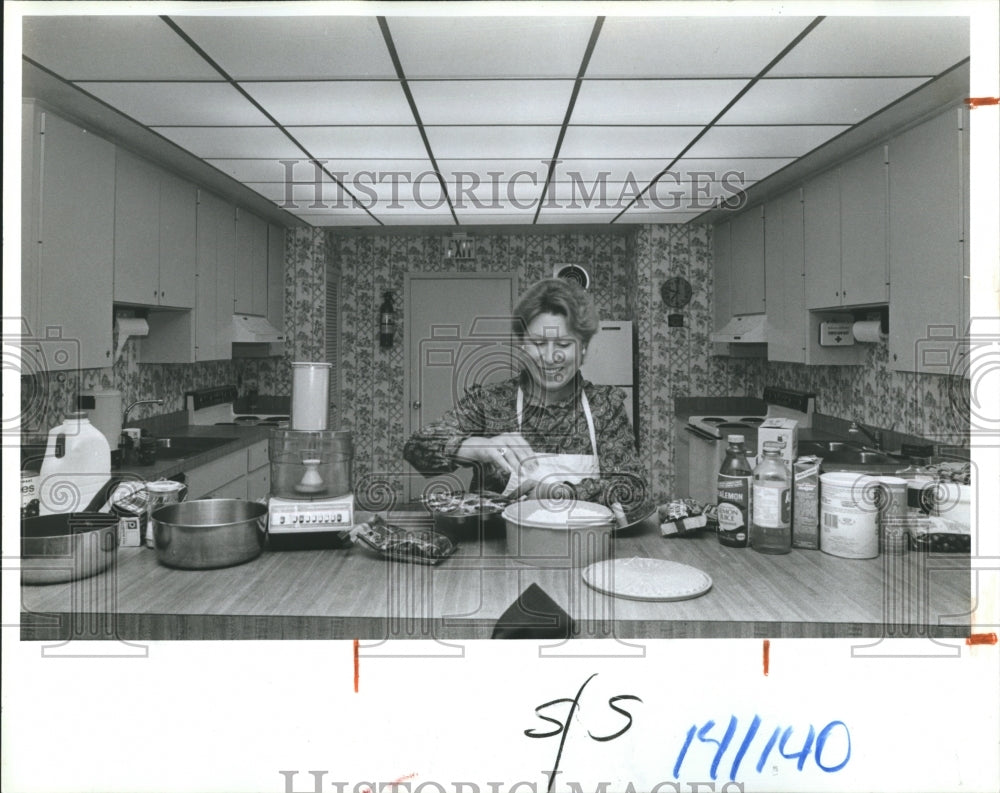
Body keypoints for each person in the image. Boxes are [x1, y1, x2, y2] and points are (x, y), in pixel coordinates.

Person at [403, 278, 648, 518]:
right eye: (538, 343)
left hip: (586, 549)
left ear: (583, 348)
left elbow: (633, 489)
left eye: (563, 344)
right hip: (500, 549)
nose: (550, 357)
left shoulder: (604, 406)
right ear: (522, 344)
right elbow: (417, 448)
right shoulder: (492, 402)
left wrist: (560, 493)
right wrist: (480, 447)